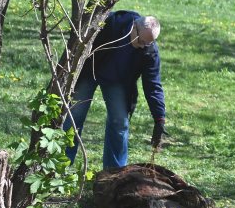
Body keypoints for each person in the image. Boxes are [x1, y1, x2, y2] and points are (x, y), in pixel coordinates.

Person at [64, 10, 167, 169]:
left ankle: (114, 174)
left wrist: (159, 118)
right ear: (133, 27)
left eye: (148, 43)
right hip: (89, 70)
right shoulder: (111, 24)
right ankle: (59, 167)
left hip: (118, 81)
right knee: (73, 116)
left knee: (119, 123)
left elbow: (153, 84)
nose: (142, 47)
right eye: (141, 41)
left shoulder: (148, 49)